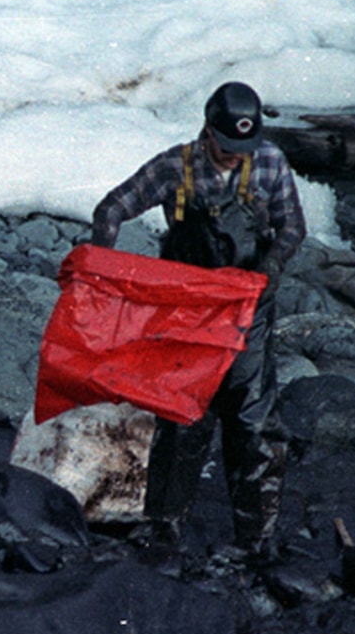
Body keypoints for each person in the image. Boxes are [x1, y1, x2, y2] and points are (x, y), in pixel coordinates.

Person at [90, 80, 307, 560]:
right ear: (207, 130)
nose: (235, 155)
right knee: (181, 416)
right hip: (187, 312)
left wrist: (273, 265)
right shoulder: (174, 166)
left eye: (243, 147)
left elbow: (293, 225)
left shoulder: (270, 162)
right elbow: (111, 209)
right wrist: (98, 267)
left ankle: (256, 538)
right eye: (227, 146)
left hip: (247, 310)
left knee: (252, 422)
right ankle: (163, 529)